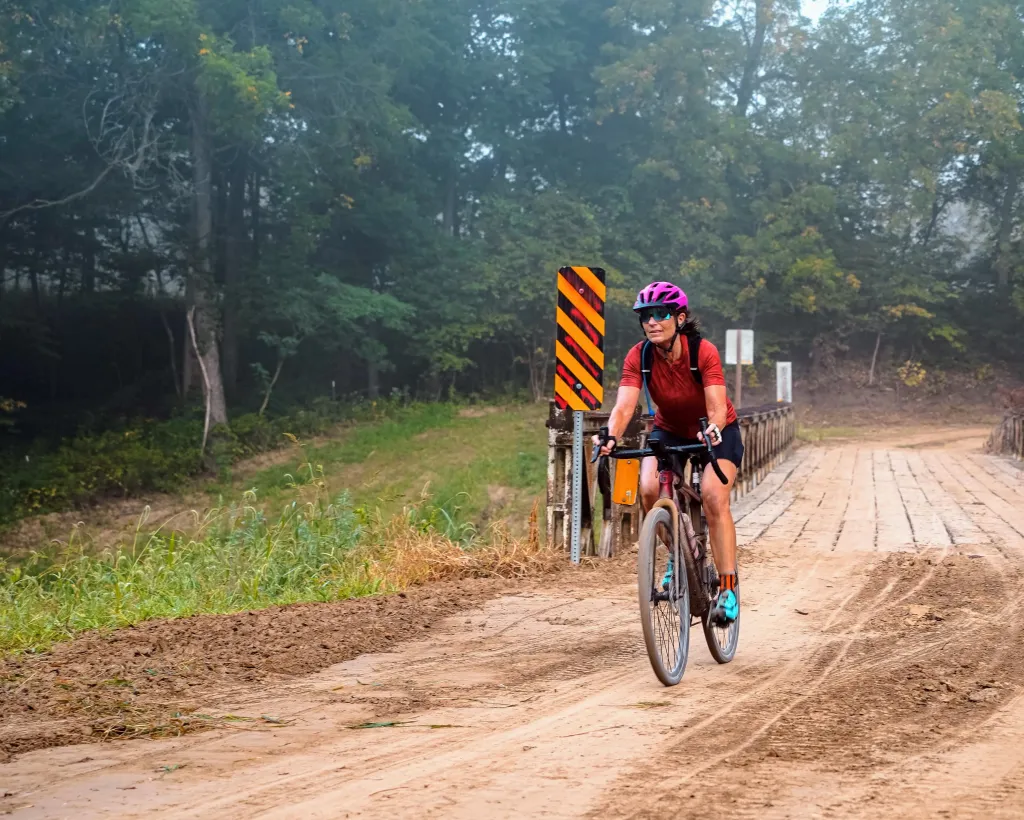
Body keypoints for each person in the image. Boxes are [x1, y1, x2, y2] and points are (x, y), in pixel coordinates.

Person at [596, 281, 743, 626]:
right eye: (646, 316)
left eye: (661, 314)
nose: (652, 321)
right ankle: (678, 553)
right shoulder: (639, 356)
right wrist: (610, 436)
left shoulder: (702, 351)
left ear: (679, 318)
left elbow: (718, 407)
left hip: (716, 429)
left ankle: (727, 589)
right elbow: (624, 407)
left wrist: (713, 428)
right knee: (649, 489)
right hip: (668, 427)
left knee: (712, 496)